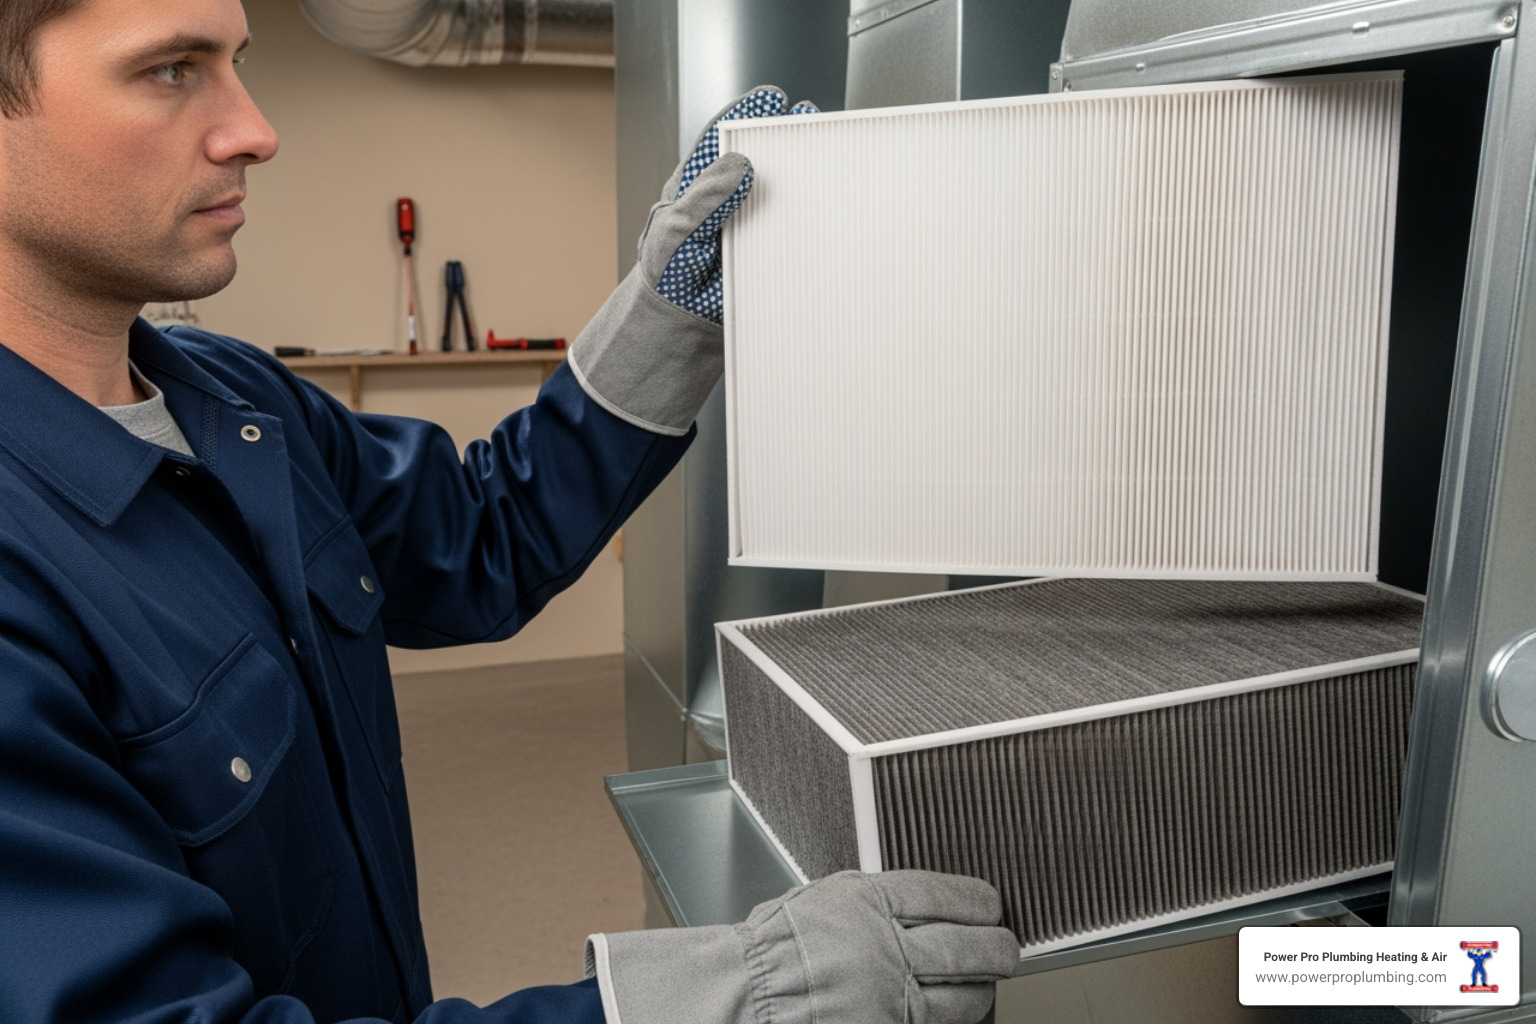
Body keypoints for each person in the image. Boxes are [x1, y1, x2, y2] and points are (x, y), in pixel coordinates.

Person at [0, 0, 1019, 1022]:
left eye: (237, 63)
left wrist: (663, 312)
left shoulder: (236, 401)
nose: (254, 130)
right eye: (173, 70)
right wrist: (723, 1001)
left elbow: (481, 535)